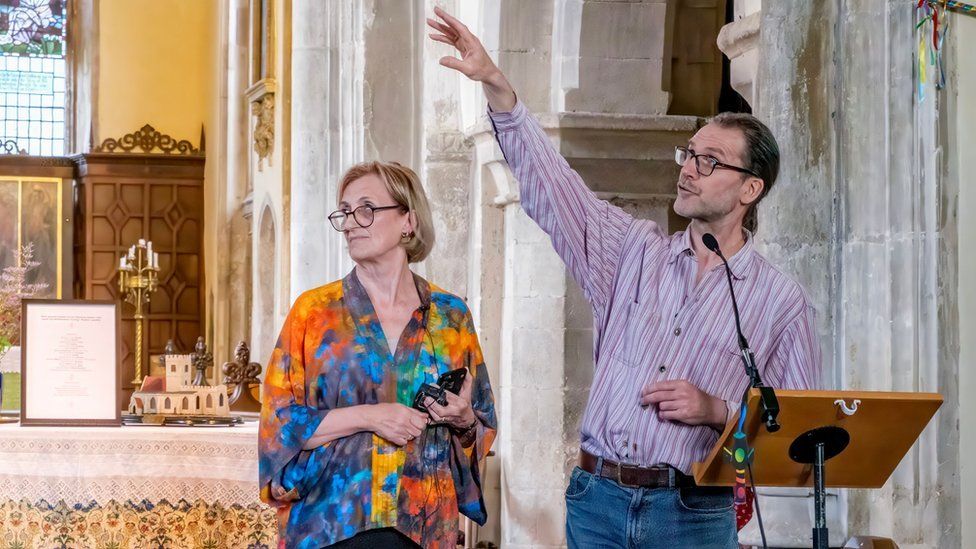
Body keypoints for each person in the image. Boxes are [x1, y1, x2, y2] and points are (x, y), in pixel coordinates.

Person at [428, 7, 821, 548]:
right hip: (598, 502)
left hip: (694, 515)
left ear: (749, 189)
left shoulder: (781, 301)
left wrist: (716, 411)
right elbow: (556, 187)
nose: (687, 168)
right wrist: (499, 88)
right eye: (689, 154)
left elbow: (800, 432)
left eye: (709, 161)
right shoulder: (632, 252)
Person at [259, 161, 497, 549]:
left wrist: (464, 418)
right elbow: (278, 423)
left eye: (366, 209)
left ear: (409, 221)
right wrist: (370, 417)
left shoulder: (451, 316)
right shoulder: (314, 313)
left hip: (423, 525)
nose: (351, 223)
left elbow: (481, 429)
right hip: (330, 522)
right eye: (345, 211)